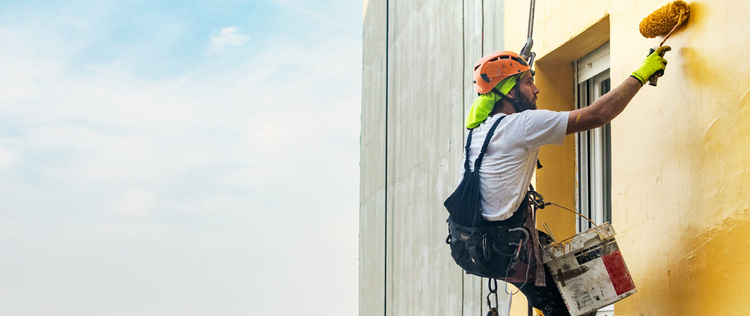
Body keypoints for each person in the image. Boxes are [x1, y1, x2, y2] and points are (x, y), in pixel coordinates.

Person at [459, 46, 670, 315]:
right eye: (528, 82)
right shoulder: (520, 125)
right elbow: (598, 114)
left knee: (559, 289)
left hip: (473, 246)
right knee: (572, 307)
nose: (536, 90)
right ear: (509, 92)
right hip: (504, 247)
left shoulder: (479, 130)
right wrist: (641, 73)